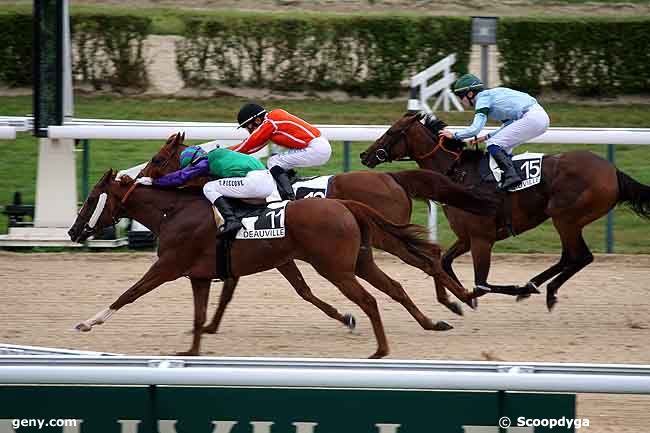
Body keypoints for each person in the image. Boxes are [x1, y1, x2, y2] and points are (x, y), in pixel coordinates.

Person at [438, 73, 550, 190]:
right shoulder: (491, 96)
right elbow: (508, 124)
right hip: (537, 117)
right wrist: (486, 137)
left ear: (470, 94)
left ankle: (512, 177)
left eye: (460, 96)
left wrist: (454, 135)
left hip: (532, 117)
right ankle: (511, 181)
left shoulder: (482, 99)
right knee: (502, 147)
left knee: (493, 144)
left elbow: (475, 129)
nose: (460, 101)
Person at [135, 145, 274, 236]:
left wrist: (154, 181)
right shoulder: (219, 156)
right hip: (267, 182)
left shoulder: (205, 161)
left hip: (255, 182)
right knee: (221, 186)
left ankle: (232, 221)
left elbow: (182, 177)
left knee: (210, 187)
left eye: (192, 168)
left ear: (193, 161)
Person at [229, 102, 332, 200]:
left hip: (316, 148)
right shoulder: (272, 121)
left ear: (257, 121)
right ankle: (291, 182)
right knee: (277, 159)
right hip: (318, 146)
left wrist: (223, 153)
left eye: (249, 127)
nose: (250, 131)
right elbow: (255, 146)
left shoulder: (271, 122)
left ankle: (289, 197)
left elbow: (248, 144)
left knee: (274, 161)